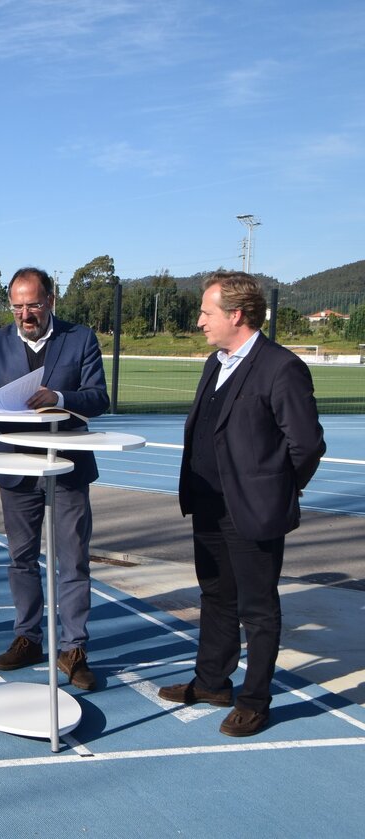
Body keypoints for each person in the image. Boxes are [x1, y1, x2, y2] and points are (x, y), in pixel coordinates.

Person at [158, 271, 326, 736]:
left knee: (258, 608)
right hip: (208, 504)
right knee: (215, 596)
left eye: (206, 312)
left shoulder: (280, 367)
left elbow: (307, 445)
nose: (199, 321)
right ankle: (212, 682)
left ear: (236, 314)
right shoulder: (216, 363)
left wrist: (277, 490)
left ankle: (255, 700)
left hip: (252, 510)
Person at [0, 267, 109, 690]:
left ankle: (73, 649)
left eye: (33, 305)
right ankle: (28, 638)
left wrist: (59, 398)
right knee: (20, 558)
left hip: (67, 468)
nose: (25, 314)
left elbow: (99, 397)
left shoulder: (81, 338)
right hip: (16, 469)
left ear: (51, 300)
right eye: (17, 307)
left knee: (72, 559)